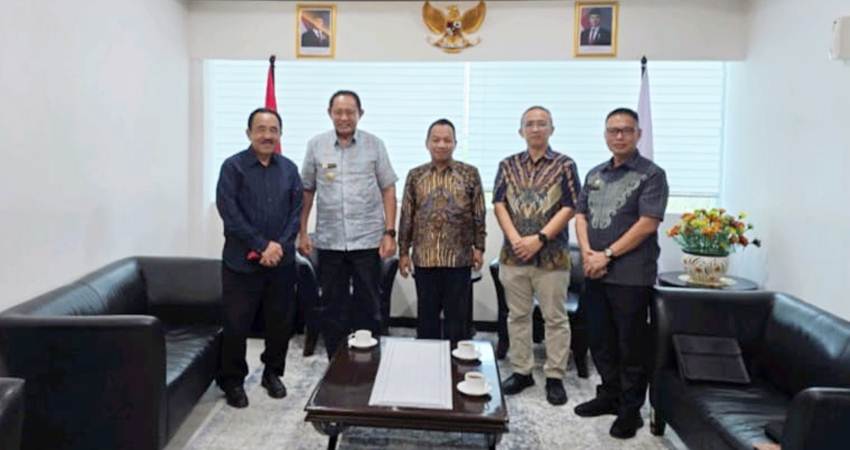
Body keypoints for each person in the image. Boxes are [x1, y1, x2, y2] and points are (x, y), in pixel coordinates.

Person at [573, 107, 669, 439]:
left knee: (630, 346)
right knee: (600, 340)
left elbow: (648, 223)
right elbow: (580, 215)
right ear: (605, 135)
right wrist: (587, 252)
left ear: (638, 134)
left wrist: (608, 254)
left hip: (630, 276)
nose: (619, 136)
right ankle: (609, 395)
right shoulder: (595, 174)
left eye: (626, 130)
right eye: (613, 130)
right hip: (595, 271)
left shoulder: (652, 175)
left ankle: (631, 411)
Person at [298, 90, 398, 358]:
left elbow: (388, 189)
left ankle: (368, 363)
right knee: (333, 308)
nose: (344, 117)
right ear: (330, 113)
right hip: (329, 241)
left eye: (350, 112)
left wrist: (390, 233)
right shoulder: (316, 146)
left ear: (360, 114)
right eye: (338, 112)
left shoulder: (375, 145)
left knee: (369, 307)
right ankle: (337, 365)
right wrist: (301, 232)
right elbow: (307, 190)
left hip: (367, 241)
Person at [215, 107, 303, 409]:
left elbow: (296, 214)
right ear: (249, 133)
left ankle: (272, 373)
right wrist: (261, 244)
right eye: (261, 129)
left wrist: (278, 246)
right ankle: (233, 381)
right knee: (236, 326)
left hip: (281, 264)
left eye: (273, 129)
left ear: (280, 134)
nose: (267, 135)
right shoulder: (233, 167)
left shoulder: (290, 169)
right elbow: (229, 212)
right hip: (241, 263)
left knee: (279, 324)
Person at [493, 106, 581, 406]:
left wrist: (540, 238)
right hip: (513, 255)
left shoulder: (565, 165)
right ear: (521, 131)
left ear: (551, 129)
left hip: (552, 258)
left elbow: (570, 206)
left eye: (541, 124)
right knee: (517, 316)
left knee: (554, 318)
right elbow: (499, 204)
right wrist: (517, 239)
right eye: (529, 124)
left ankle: (555, 375)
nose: (535, 129)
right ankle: (522, 370)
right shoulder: (507, 165)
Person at [398, 119, 486, 345]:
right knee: (427, 320)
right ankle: (427, 366)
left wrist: (479, 248)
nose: (441, 144)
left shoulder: (469, 174)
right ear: (427, 143)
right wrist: (404, 253)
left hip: (459, 259)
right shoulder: (415, 175)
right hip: (425, 259)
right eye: (436, 140)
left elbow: (479, 213)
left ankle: (456, 367)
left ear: (455, 143)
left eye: (447, 140)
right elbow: (407, 215)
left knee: (457, 321)